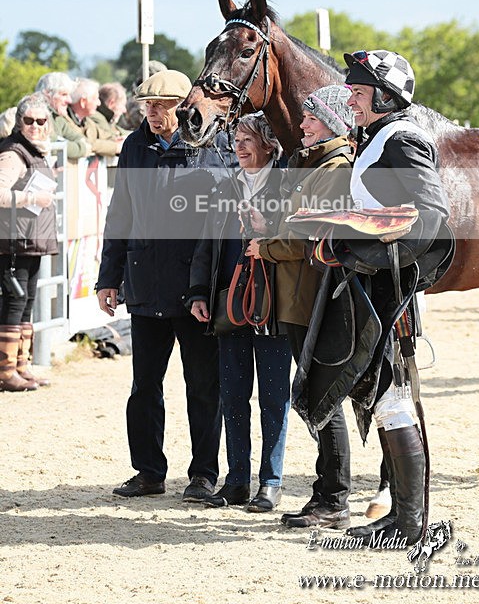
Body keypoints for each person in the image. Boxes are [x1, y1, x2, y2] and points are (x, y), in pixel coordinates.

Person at [95, 69, 234, 501]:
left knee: (203, 387)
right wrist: (108, 278)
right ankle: (149, 472)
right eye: (147, 106)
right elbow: (120, 213)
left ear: (184, 106)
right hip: (145, 282)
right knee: (144, 387)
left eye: (162, 106)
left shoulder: (212, 144)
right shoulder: (134, 146)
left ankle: (204, 474)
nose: (153, 113)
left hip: (197, 290)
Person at [338, 49, 451, 546]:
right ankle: (404, 516)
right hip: (378, 284)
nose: (351, 100)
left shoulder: (401, 139)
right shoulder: (379, 137)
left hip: (391, 288)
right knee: (387, 398)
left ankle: (411, 522)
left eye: (359, 93)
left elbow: (430, 218)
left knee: (394, 398)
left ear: (386, 97)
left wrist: (371, 255)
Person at [246, 86, 355, 529]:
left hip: (311, 298)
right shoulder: (312, 164)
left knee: (319, 398)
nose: (303, 125)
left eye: (311, 118)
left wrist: (264, 247)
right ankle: (328, 496)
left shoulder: (335, 169)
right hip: (297, 297)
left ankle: (334, 499)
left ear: (331, 121)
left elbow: (309, 236)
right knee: (312, 398)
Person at [186, 114, 292, 512]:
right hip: (230, 302)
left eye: (249, 139)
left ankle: (271, 481)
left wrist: (271, 228)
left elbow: (300, 241)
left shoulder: (287, 185)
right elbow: (206, 242)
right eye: (237, 139)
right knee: (232, 395)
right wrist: (198, 291)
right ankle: (236, 481)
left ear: (269, 143)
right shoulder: (224, 186)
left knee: (273, 396)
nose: (241, 146)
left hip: (275, 305)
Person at [0, 93, 57, 392]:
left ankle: (21, 366)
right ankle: (6, 370)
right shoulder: (13, 153)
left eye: (41, 120)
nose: (35, 126)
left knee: (26, 304)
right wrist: (32, 198)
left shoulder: (33, 150)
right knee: (15, 302)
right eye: (29, 120)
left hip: (28, 239)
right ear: (19, 122)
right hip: (13, 241)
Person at [35, 72, 91, 159]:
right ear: (47, 94)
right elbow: (53, 146)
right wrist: (82, 149)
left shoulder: (58, 118)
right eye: (64, 94)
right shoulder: (37, 116)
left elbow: (80, 138)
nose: (69, 100)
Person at [67, 79, 125, 158]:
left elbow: (104, 135)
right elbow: (86, 142)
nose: (99, 103)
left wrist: (116, 140)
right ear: (83, 102)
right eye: (95, 99)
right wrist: (116, 147)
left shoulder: (87, 121)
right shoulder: (66, 121)